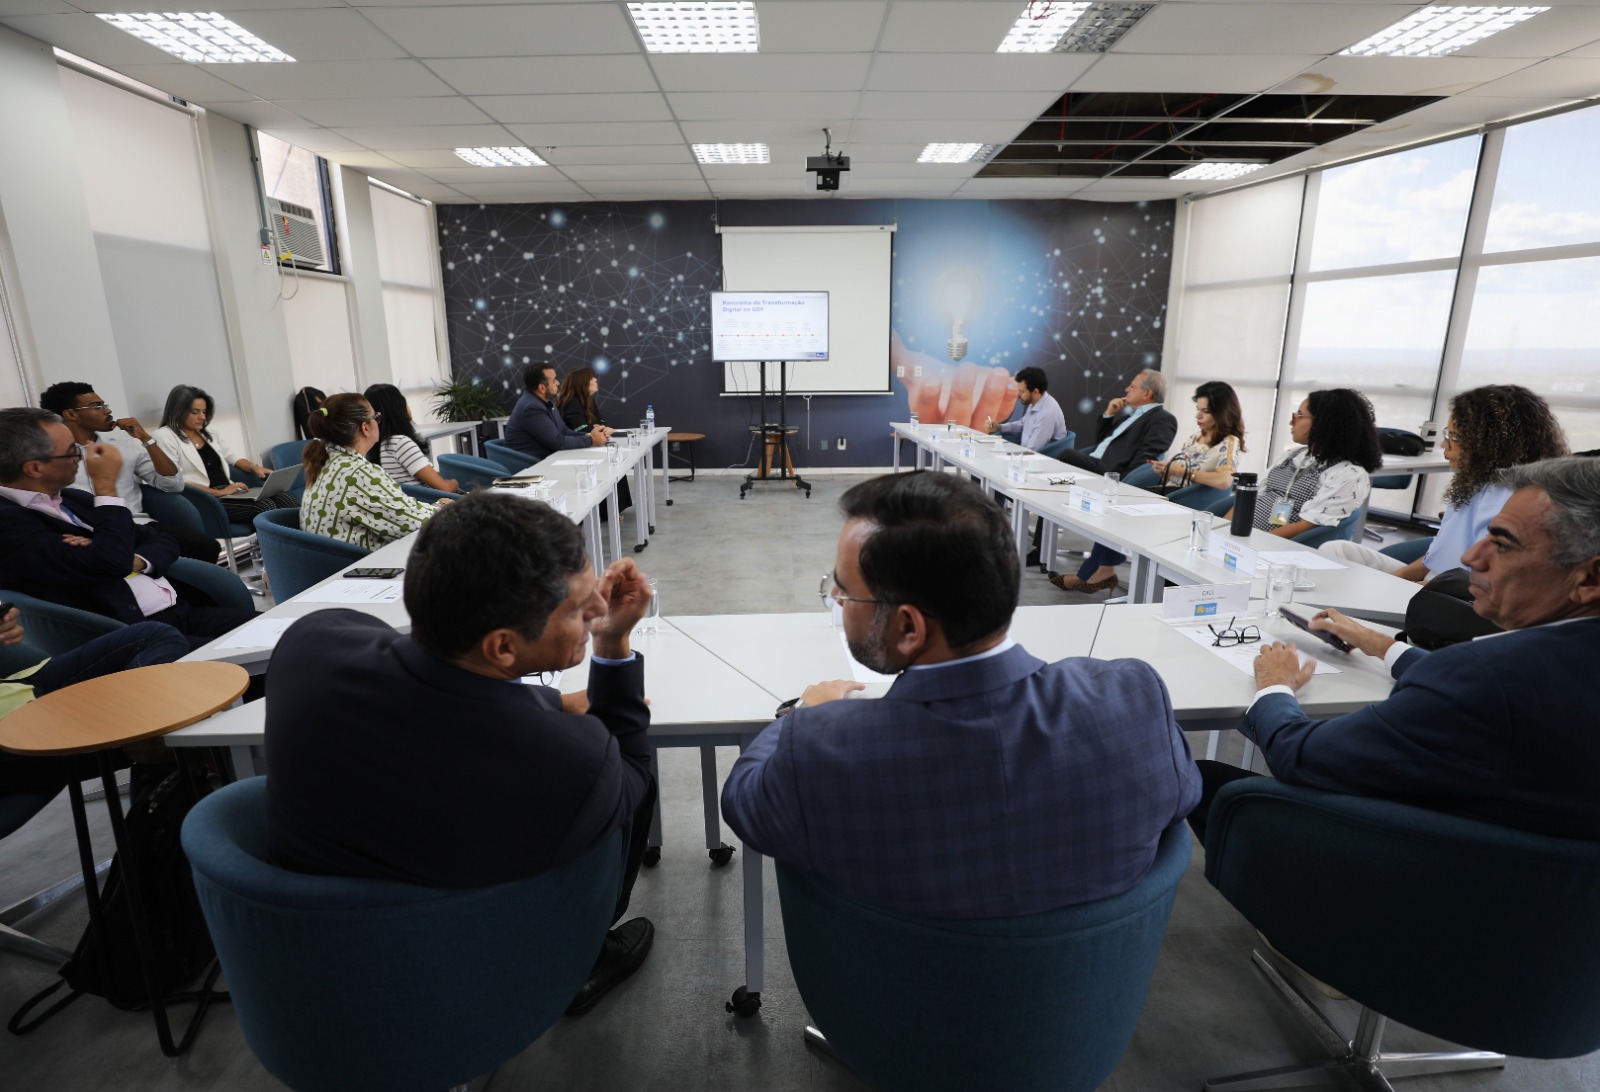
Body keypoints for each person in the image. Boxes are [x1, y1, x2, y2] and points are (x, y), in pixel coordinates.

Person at [720, 471, 1200, 918]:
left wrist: (799, 715)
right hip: (1092, 997)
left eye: (844, 593)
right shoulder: (1135, 701)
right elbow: (1182, 800)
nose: (839, 603)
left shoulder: (820, 749)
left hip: (881, 996)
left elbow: (744, 802)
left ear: (908, 627)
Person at [264, 491, 658, 1015]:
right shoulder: (569, 765)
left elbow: (416, 672)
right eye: (578, 608)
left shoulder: (309, 643)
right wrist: (611, 648)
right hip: (466, 972)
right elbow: (630, 769)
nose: (600, 609)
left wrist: (550, 699)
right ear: (503, 647)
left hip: (312, 973)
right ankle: (587, 956)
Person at [1191, 456, 1600, 843]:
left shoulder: (1478, 676)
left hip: (1407, 862)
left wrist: (1274, 688)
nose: (1470, 556)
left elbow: (1302, 756)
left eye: (1503, 543)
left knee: (1201, 776)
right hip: (1554, 894)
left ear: (1589, 578)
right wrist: (1385, 647)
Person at [0, 408, 255, 650]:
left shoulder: (73, 499)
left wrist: (134, 559)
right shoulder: (9, 524)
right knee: (269, 659)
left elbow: (158, 538)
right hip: (134, 637)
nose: (81, 458)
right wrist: (105, 487)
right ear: (34, 468)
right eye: (71, 453)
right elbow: (109, 561)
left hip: (181, 611)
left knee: (286, 632)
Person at [1320, 384, 1567, 580]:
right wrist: (1395, 581)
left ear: (1490, 444)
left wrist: (1416, 588)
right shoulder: (1475, 482)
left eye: (1453, 437)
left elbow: (1480, 579)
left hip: (1457, 597)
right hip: (1432, 582)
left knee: (1340, 567)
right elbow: (1435, 556)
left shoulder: (1511, 500)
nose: (1443, 445)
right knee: (1338, 551)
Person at [1051, 380, 1246, 595]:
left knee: (1118, 511)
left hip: (1186, 503)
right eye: (1197, 410)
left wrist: (1181, 472)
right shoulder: (1194, 437)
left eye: (1206, 411)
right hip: (1169, 494)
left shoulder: (1229, 442)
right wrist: (1167, 470)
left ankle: (1096, 573)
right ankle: (1101, 570)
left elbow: (1224, 481)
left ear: (1222, 412)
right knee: (1115, 509)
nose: (1198, 416)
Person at [0, 608, 188, 797]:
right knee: (169, 721)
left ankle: (148, 730)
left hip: (17, 689)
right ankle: (153, 736)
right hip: (9, 738)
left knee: (153, 636)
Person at [39, 381, 221, 563]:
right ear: (71, 414)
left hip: (135, 525)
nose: (107, 411)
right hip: (84, 529)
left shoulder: (125, 449)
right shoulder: (53, 458)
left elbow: (173, 485)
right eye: (97, 407)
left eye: (105, 405)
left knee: (205, 546)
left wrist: (146, 438)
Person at [1227, 388, 1382, 539]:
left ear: (1323, 423)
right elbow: (1250, 499)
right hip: (1240, 537)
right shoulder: (1293, 455)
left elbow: (1306, 526)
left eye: (1299, 416)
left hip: (1272, 549)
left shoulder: (1348, 474)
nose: (1291, 421)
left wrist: (1251, 543)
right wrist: (1220, 529)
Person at [300, 393, 446, 551]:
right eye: (375, 417)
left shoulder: (324, 463)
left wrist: (433, 507)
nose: (378, 422)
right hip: (366, 568)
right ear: (365, 427)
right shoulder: (358, 474)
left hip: (334, 565)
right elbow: (417, 524)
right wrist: (440, 507)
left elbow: (400, 511)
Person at [153, 384, 298, 524]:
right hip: (204, 499)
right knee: (265, 507)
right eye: (195, 412)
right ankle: (277, 547)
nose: (202, 417)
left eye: (204, 411)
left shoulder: (209, 433)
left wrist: (255, 467)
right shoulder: (164, 437)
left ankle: (302, 544)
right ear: (178, 411)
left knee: (286, 498)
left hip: (229, 494)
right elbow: (175, 482)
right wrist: (219, 492)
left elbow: (233, 458)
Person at [1053, 369, 1178, 478]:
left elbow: (1145, 459)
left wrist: (1121, 481)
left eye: (1132, 387)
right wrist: (1109, 414)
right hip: (1096, 461)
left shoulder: (1163, 419)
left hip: (1112, 471)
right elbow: (1102, 442)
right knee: (1066, 457)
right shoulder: (1134, 415)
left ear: (1147, 393)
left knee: (1067, 454)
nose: (1127, 389)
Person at [556, 368, 631, 514]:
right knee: (611, 463)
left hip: (590, 444)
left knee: (616, 464)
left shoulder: (588, 399)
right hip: (578, 448)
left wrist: (600, 427)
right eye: (593, 378)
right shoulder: (572, 402)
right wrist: (598, 428)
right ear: (583, 383)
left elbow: (600, 421)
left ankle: (614, 509)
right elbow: (580, 428)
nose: (596, 381)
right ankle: (608, 511)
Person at [362, 383, 460, 494]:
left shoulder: (382, 444)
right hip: (432, 505)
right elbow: (445, 488)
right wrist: (455, 482)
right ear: (396, 407)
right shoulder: (400, 443)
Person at [505, 363, 611, 460]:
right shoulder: (531, 408)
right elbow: (557, 442)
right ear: (542, 388)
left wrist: (589, 435)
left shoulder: (546, 402)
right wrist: (592, 440)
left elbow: (563, 430)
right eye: (554, 380)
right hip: (531, 464)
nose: (558, 383)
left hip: (548, 458)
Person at [986, 367, 1067, 452]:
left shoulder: (1047, 414)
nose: (1018, 395)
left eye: (1022, 391)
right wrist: (999, 427)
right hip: (1024, 452)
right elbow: (1022, 425)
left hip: (1036, 459)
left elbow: (1032, 450)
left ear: (1035, 392)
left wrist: (1007, 453)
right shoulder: (1036, 401)